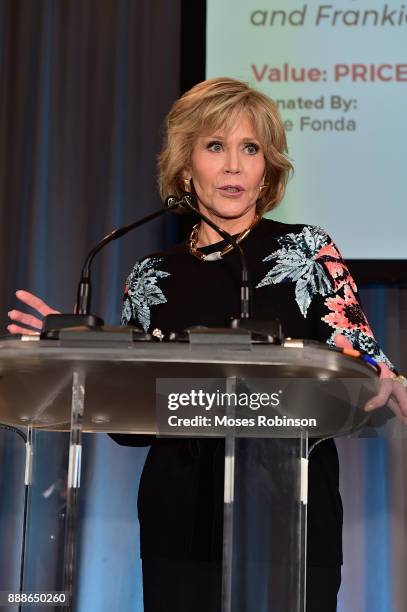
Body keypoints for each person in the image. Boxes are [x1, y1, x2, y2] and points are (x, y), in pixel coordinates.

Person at [8, 78, 407, 611]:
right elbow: (131, 427)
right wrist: (66, 357)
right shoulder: (152, 271)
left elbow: (358, 353)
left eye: (251, 149)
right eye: (215, 147)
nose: (234, 166)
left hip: (290, 513)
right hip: (180, 522)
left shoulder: (307, 249)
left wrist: (384, 373)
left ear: (269, 167)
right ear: (184, 165)